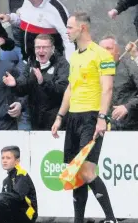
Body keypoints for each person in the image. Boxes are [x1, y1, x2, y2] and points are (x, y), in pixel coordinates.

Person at [51, 12, 118, 223]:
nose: (67, 31)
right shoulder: (75, 56)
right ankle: (78, 220)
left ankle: (111, 219)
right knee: (75, 173)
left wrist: (102, 117)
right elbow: (71, 88)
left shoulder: (101, 55)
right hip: (73, 117)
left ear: (83, 28)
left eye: (70, 27)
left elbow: (107, 89)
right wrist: (60, 116)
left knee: (87, 171)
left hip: (92, 117)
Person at [0, 0, 75, 61]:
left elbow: (69, 40)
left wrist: (70, 67)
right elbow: (24, 21)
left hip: (48, 64)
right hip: (27, 60)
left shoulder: (56, 10)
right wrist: (10, 18)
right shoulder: (28, 0)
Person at [2, 35, 70, 130]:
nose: (41, 50)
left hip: (57, 121)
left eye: (45, 47)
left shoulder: (62, 64)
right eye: (38, 47)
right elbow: (24, 87)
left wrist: (43, 83)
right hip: (36, 119)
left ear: (53, 48)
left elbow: (63, 90)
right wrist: (15, 84)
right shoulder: (32, 62)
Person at [0, 146, 38, 223]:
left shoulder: (21, 174)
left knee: (3, 200)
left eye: (8, 158)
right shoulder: (6, 181)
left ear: (17, 161)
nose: (4, 161)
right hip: (15, 211)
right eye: (3, 158)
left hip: (28, 214)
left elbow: (18, 196)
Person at [99, 36, 138, 131]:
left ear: (118, 51)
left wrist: (127, 107)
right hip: (103, 129)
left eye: (109, 48)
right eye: (102, 50)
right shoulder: (94, 71)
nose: (105, 52)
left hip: (130, 128)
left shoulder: (129, 67)